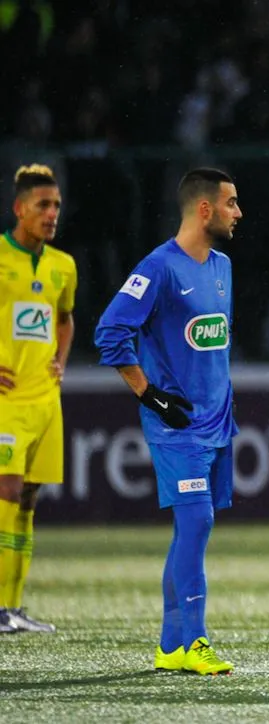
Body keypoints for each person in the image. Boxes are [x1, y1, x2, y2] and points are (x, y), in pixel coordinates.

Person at [94, 168, 241, 674]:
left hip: (217, 422)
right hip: (176, 426)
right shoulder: (158, 268)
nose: (238, 213)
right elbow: (111, 331)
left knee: (191, 531)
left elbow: (210, 347)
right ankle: (197, 642)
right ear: (204, 209)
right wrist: (151, 396)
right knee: (197, 521)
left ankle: (170, 646)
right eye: (230, 203)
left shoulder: (222, 267)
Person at [0, 164, 76, 635]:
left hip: (45, 399)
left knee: (28, 498)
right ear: (19, 209)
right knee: (6, 489)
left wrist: (60, 361)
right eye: (43, 205)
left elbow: (65, 319)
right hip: (6, 400)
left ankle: (12, 607)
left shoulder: (62, 265)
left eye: (57, 206)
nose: (52, 214)